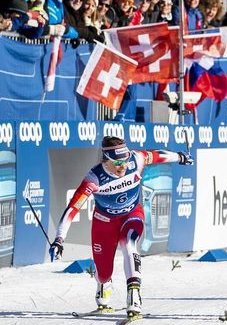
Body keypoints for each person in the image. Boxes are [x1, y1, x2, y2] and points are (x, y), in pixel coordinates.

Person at [48, 136, 193, 318]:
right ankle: (103, 285)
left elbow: (158, 155)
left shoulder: (136, 159)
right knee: (103, 272)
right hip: (104, 223)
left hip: (132, 215)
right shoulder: (93, 179)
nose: (123, 166)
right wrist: (59, 240)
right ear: (105, 160)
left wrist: (180, 157)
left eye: (124, 161)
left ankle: (134, 295)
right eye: (117, 163)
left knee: (129, 243)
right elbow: (72, 209)